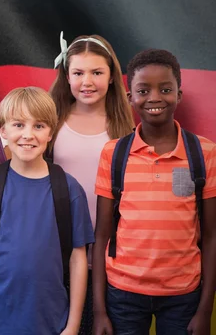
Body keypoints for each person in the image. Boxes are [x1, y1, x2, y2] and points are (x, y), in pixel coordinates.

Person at [93, 49, 216, 335]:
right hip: (123, 293)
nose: (154, 98)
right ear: (130, 97)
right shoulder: (114, 153)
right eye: (143, 90)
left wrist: (205, 309)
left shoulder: (204, 152)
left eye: (165, 89)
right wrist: (100, 310)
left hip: (183, 296)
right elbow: (101, 236)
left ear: (179, 95)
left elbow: (210, 237)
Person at [0, 87, 95, 335]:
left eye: (39, 126)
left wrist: (72, 326)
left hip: (52, 321)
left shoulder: (68, 189)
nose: (28, 135)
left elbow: (78, 260)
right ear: (3, 130)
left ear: (51, 133)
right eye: (18, 125)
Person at [48, 33, 135, 334]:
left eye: (97, 72)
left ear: (112, 77)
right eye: (78, 73)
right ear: (66, 75)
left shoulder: (124, 128)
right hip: (57, 250)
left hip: (108, 254)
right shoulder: (52, 120)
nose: (87, 81)